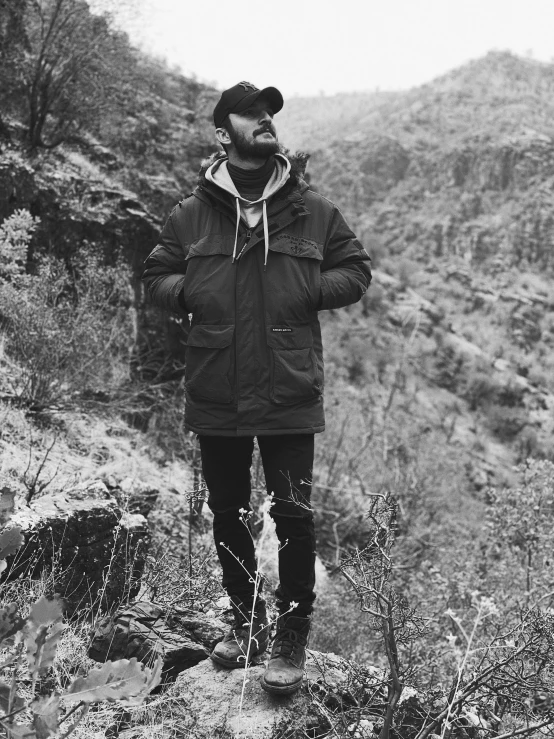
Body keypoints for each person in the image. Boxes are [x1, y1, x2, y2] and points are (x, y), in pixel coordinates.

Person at [141, 81, 372, 695]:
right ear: (224, 133)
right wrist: (189, 294)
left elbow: (356, 269)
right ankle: (246, 621)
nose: (266, 119)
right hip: (216, 388)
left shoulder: (312, 209)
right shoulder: (189, 214)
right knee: (228, 514)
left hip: (289, 389)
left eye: (270, 112)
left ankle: (291, 636)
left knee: (294, 515)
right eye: (252, 113)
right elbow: (157, 274)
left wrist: (306, 293)